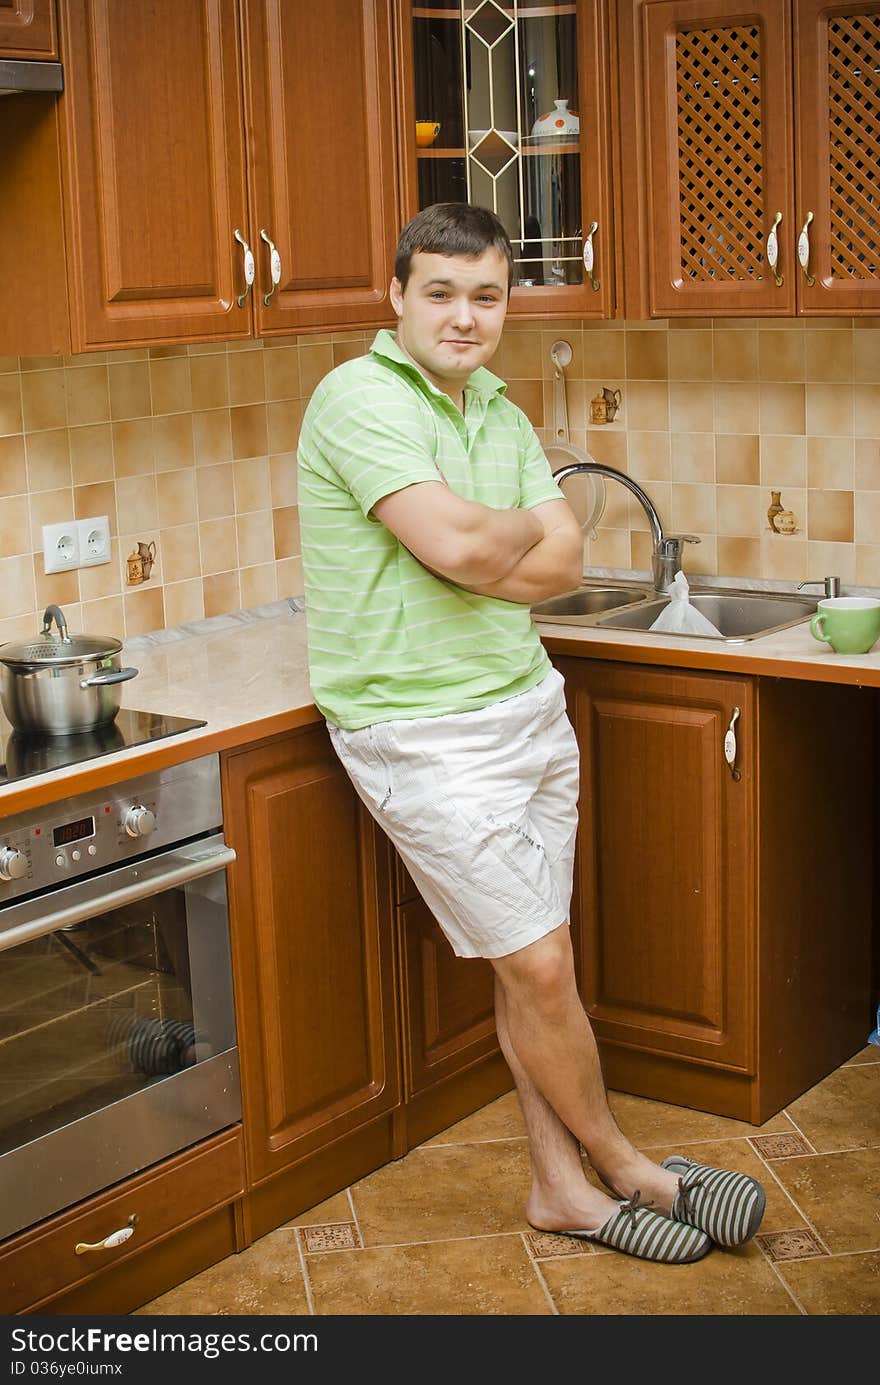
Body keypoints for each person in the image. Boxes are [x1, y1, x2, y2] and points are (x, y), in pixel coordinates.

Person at [297, 203, 765, 1264]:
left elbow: (558, 559)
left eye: (486, 295)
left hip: (523, 702)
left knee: (530, 970)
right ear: (399, 296)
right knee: (546, 967)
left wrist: (478, 538)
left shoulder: (496, 408)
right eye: (442, 293)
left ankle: (560, 1186)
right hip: (416, 728)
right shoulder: (357, 398)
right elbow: (476, 546)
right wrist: (490, 535)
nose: (465, 317)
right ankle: (633, 1165)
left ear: (506, 301)